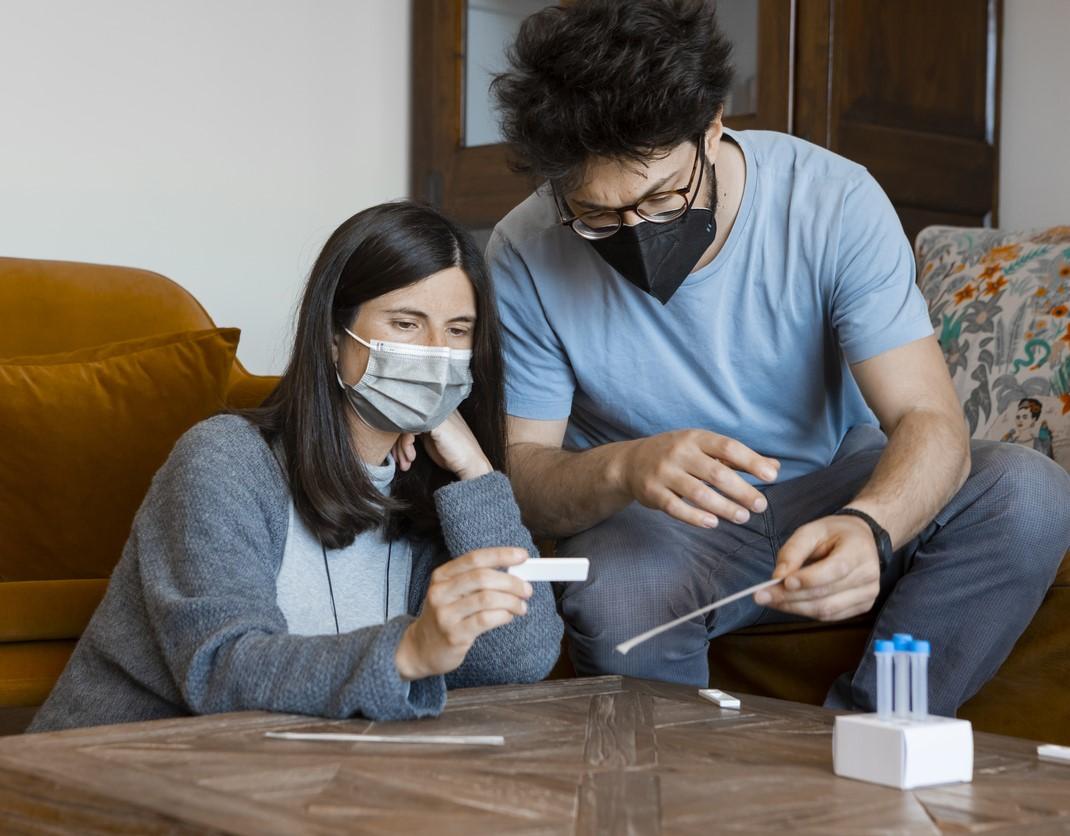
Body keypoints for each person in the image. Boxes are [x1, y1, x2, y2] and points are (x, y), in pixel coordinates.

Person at [486, 0, 1070, 716]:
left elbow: (927, 416)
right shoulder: (524, 247)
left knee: (1027, 493)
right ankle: (686, 798)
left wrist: (871, 525)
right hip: (661, 527)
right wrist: (626, 466)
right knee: (619, 589)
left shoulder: (833, 200)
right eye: (598, 216)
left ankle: (865, 740)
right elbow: (526, 478)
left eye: (665, 196)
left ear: (713, 125)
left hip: (832, 482)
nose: (635, 232)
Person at [30, 202, 562, 732]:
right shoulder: (224, 460)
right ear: (334, 338)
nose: (434, 354)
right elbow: (220, 670)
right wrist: (409, 650)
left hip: (281, 776)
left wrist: (476, 474)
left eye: (457, 331)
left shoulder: (432, 489)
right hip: (110, 768)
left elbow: (518, 661)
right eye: (406, 323)